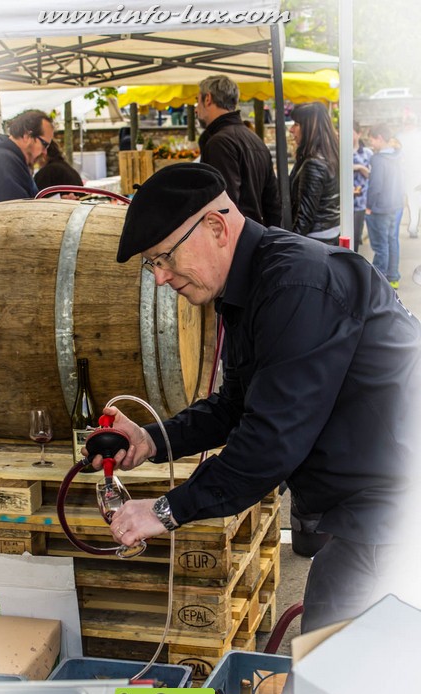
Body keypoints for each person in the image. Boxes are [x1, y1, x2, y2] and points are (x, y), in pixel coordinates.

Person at [87, 162, 421, 634]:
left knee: (333, 648)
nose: (159, 278)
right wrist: (151, 439)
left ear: (216, 227)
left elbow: (271, 441)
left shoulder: (297, 285)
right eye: (152, 265)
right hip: (372, 498)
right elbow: (236, 404)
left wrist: (165, 510)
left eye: (164, 258)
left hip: (396, 502)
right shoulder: (254, 284)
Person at [196, 75, 281, 227]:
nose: (196, 109)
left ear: (207, 99)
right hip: (256, 233)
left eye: (197, 101)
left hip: (236, 236)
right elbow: (273, 204)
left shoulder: (220, 142)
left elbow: (223, 205)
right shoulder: (255, 139)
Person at [0, 110, 54, 204]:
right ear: (27, 136)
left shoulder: (7, 158)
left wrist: (57, 204)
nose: (45, 152)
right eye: (44, 144)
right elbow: (15, 210)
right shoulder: (3, 160)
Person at [289, 102, 340, 244]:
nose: (291, 130)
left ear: (309, 127)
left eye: (296, 124)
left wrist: (289, 246)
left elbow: (305, 217)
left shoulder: (314, 163)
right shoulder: (330, 155)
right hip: (329, 232)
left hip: (315, 239)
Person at [365, 123, 404, 289]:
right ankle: (393, 278)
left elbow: (376, 186)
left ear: (379, 138)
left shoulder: (378, 159)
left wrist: (368, 206)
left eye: (371, 140)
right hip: (395, 206)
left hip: (380, 209)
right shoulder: (398, 155)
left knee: (380, 247)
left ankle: (378, 284)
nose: (371, 144)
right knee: (392, 241)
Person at [396, 113, 421, 239]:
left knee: (413, 202)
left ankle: (413, 227)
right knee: (403, 202)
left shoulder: (415, 137)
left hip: (414, 174)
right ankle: (409, 227)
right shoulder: (400, 137)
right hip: (401, 174)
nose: (408, 126)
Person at [352, 120, 373, 253]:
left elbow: (372, 176)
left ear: (359, 134)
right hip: (341, 203)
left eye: (351, 133)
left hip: (360, 202)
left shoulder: (367, 153)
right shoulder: (339, 151)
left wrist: (360, 168)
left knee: (355, 237)